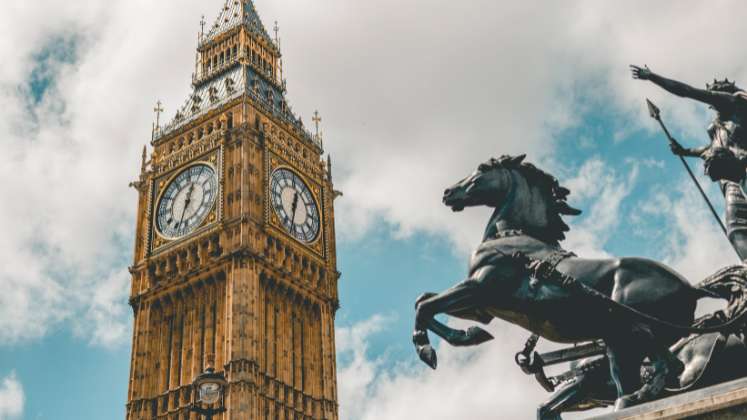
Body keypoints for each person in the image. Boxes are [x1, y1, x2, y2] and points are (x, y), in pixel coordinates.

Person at [631, 64, 747, 259]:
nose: (711, 97)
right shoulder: (719, 125)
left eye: (714, 92)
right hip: (729, 181)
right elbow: (711, 147)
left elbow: (686, 91)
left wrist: (651, 76)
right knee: (736, 230)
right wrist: (684, 151)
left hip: (742, 168)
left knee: (737, 228)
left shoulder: (731, 103)